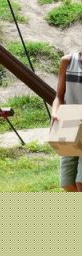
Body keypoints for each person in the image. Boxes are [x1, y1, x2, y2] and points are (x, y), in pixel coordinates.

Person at [52, 50, 82, 191]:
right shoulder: (67, 61)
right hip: (69, 124)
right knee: (67, 183)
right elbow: (59, 96)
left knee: (80, 182)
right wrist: (55, 112)